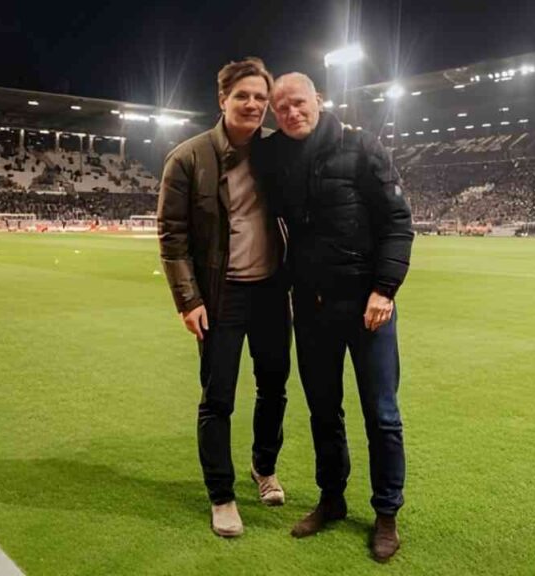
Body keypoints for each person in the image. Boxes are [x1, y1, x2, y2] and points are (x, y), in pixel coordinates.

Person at [259, 72, 413, 562]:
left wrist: (384, 289)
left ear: (317, 100)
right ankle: (333, 500)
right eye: (280, 109)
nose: (290, 113)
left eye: (298, 103)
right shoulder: (275, 156)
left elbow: (397, 222)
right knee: (324, 413)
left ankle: (386, 513)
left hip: (368, 307)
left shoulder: (361, 147)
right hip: (311, 309)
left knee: (382, 416)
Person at [157, 57, 291, 538]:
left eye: (260, 97)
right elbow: (171, 236)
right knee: (218, 398)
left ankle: (264, 467)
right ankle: (221, 494)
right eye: (243, 96)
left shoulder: (277, 155)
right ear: (223, 100)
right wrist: (188, 300)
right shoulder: (188, 158)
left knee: (274, 387)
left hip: (272, 292)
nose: (253, 104)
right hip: (221, 295)